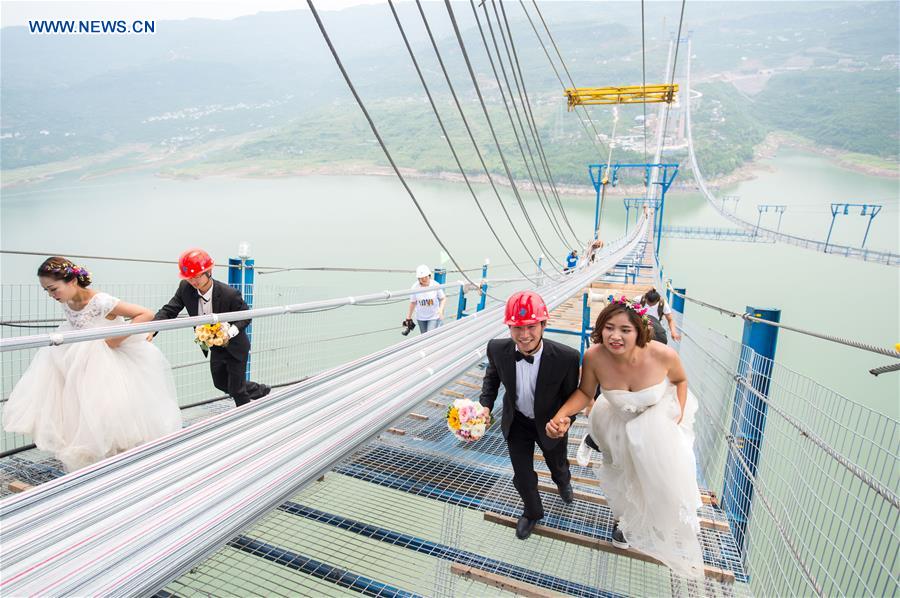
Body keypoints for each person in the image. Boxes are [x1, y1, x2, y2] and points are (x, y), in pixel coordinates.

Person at [546, 297, 704, 578]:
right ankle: (623, 521)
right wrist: (562, 415)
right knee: (621, 473)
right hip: (617, 419)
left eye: (625, 330)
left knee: (660, 472)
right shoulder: (594, 356)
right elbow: (585, 393)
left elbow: (680, 381)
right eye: (608, 327)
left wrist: (678, 415)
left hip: (656, 419)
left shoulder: (663, 355)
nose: (615, 336)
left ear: (639, 331)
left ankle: (657, 515)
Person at [3, 257, 182, 472]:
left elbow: (145, 314)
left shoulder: (101, 301)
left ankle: (125, 463)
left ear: (71, 281)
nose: (51, 295)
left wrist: (115, 338)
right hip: (77, 361)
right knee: (80, 410)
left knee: (111, 411)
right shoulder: (68, 302)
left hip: (107, 363)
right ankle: (97, 464)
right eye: (47, 291)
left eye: (53, 289)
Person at [479, 291, 581, 540]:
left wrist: (565, 421)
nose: (524, 335)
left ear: (544, 325)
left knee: (557, 464)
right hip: (517, 422)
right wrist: (485, 406)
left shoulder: (567, 358)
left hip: (550, 422)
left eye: (531, 326)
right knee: (522, 475)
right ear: (509, 327)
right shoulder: (496, 349)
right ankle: (533, 511)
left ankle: (563, 482)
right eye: (517, 328)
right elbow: (491, 379)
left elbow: (572, 399)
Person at [153, 248, 270, 407]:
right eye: (189, 278)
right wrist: (151, 329)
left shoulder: (229, 293)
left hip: (235, 346)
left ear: (209, 271)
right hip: (213, 345)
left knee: (236, 390)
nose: (193, 281)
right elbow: (170, 310)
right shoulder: (185, 288)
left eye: (196, 276)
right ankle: (260, 390)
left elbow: (245, 315)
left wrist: (229, 333)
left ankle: (247, 421)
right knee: (220, 383)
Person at [405, 264, 446, 334]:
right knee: (424, 336)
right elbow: (413, 302)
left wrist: (440, 310)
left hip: (434, 316)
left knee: (429, 335)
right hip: (421, 317)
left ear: (429, 276)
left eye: (425, 277)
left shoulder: (435, 285)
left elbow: (443, 298)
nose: (424, 279)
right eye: (421, 278)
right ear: (418, 278)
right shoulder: (415, 287)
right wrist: (408, 317)